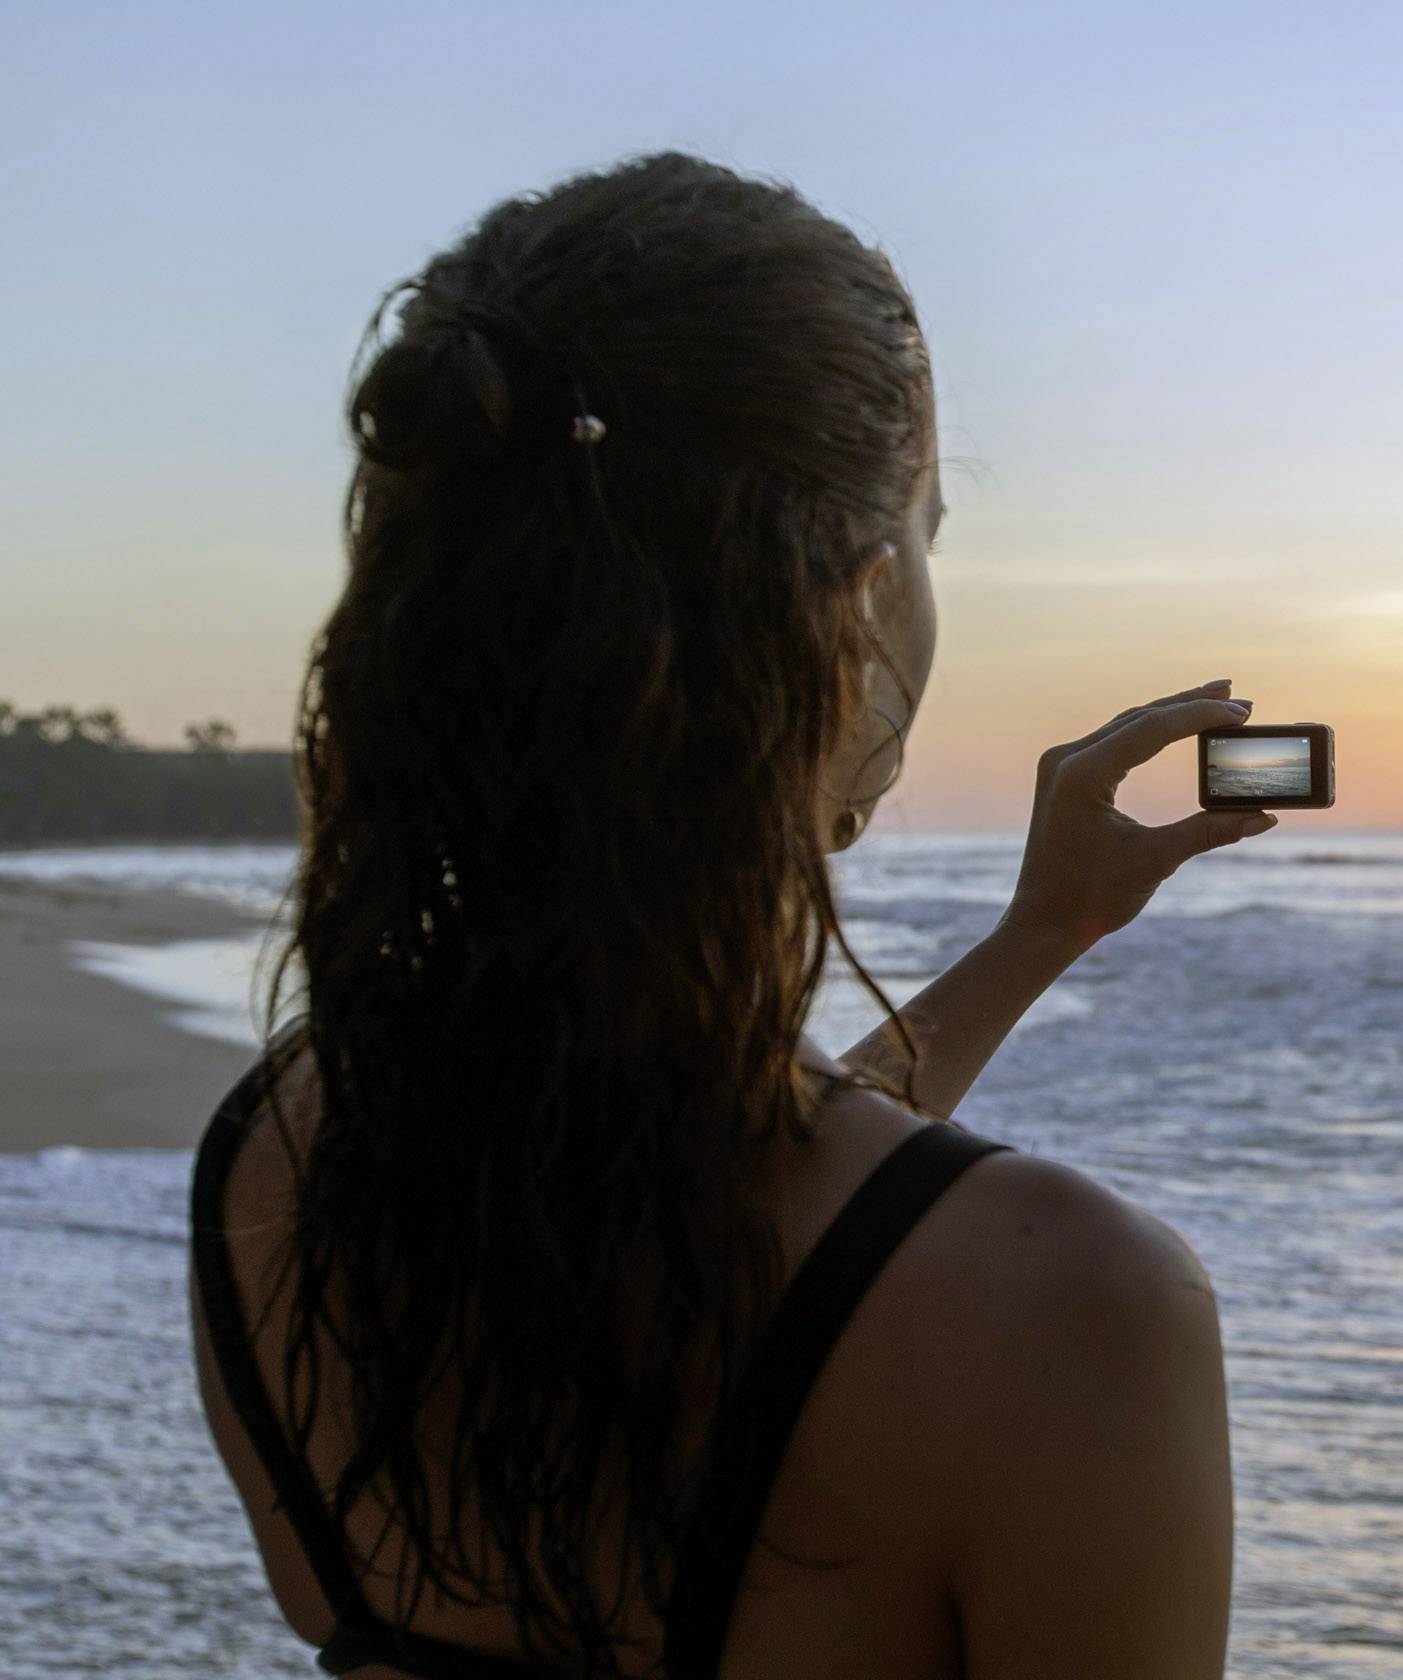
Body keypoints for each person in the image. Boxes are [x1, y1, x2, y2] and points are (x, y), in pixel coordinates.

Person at [187, 150, 1277, 1680]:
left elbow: (717, 1202)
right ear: (849, 603)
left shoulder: (275, 1159)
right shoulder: (1078, 1314)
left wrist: (1043, 933)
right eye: (931, 531)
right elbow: (804, 1242)